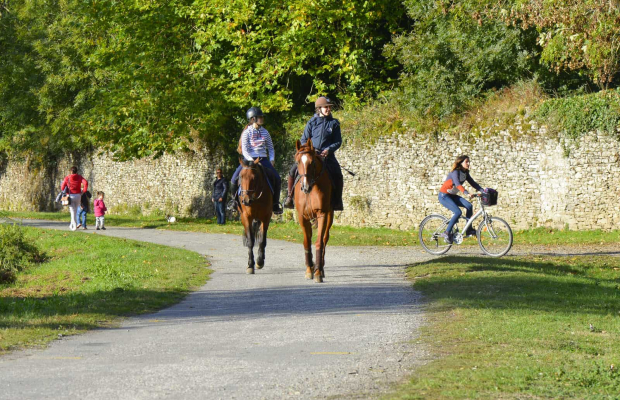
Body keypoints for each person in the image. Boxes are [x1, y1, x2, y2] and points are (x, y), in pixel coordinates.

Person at [283, 96, 343, 211]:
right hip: (311, 154)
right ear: (319, 108)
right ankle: (289, 197)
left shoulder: (334, 123)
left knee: (338, 173)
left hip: (327, 156)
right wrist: (310, 151)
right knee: (292, 171)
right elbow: (304, 139)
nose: (329, 109)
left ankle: (337, 201)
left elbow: (338, 141)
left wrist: (328, 150)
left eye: (329, 107)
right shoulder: (312, 122)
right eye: (326, 107)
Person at [230, 106, 283, 214]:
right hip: (249, 160)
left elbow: (271, 148)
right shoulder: (246, 133)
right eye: (260, 117)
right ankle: (234, 202)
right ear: (253, 118)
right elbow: (244, 150)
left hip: (263, 159)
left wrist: (272, 159)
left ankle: (275, 204)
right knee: (234, 178)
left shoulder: (265, 132)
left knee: (277, 178)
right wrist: (252, 161)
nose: (262, 118)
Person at [438, 155, 483, 243]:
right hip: (444, 196)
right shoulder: (455, 172)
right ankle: (446, 232)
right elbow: (458, 184)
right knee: (458, 212)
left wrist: (484, 191)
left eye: (469, 162)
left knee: (469, 206)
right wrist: (466, 193)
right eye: (466, 162)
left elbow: (473, 183)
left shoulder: (465, 173)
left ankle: (469, 229)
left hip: (452, 196)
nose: (468, 163)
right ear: (461, 163)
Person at [60, 166, 88, 231]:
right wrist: (84, 191)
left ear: (71, 171)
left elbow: (62, 187)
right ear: (76, 171)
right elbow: (85, 183)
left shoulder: (67, 178)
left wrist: (65, 191)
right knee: (75, 210)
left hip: (70, 195)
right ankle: (71, 224)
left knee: (72, 211)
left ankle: (74, 226)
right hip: (78, 195)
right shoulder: (79, 177)